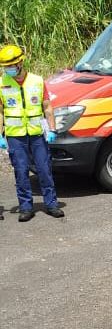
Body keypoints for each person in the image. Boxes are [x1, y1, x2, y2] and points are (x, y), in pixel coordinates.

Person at [0, 44, 64, 222]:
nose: (8, 69)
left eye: (10, 65)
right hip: (15, 136)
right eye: (5, 66)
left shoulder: (37, 80)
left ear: (20, 63)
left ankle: (51, 204)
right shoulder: (1, 84)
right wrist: (0, 135)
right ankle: (25, 207)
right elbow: (0, 112)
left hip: (37, 134)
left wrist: (52, 129)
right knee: (21, 171)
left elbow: (47, 107)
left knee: (44, 169)